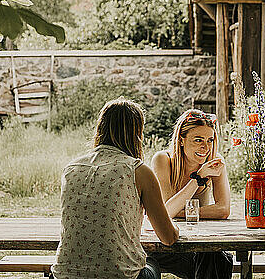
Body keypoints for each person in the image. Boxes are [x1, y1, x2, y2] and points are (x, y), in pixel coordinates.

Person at [52, 98, 179, 279]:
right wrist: (176, 227)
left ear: (100, 128)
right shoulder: (138, 171)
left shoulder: (71, 168)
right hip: (119, 275)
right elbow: (168, 237)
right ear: (137, 133)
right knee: (151, 263)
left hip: (64, 274)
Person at [150, 109, 233, 279]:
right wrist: (198, 178)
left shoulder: (215, 161)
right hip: (163, 243)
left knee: (215, 255)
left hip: (200, 241)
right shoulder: (163, 160)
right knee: (215, 259)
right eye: (198, 140)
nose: (206, 147)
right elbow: (167, 213)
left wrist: (180, 211)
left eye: (210, 140)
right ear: (181, 140)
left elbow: (223, 210)